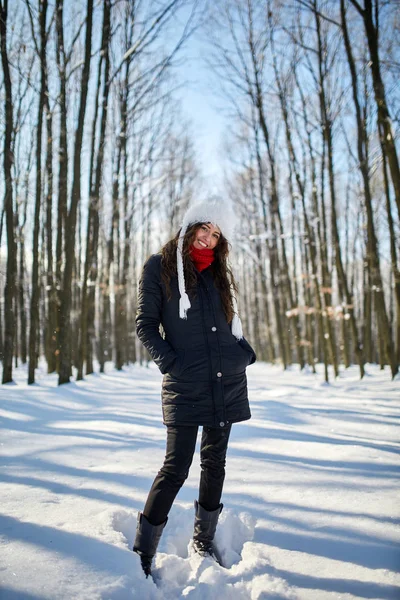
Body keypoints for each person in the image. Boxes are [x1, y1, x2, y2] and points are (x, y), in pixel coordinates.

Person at [133, 199, 256, 578]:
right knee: (175, 467)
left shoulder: (219, 274)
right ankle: (142, 552)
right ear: (190, 227)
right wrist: (172, 364)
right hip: (185, 383)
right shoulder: (160, 267)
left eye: (217, 234)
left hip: (226, 380)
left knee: (214, 464)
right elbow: (146, 325)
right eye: (205, 229)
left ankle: (203, 543)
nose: (208, 238)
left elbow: (227, 324)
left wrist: (244, 353)